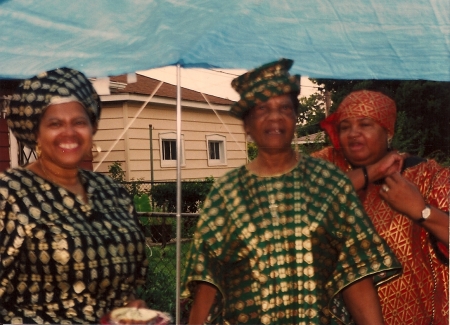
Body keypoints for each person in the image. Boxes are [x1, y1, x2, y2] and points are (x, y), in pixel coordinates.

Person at [181, 59, 401, 325]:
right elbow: (208, 281)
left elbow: (355, 272)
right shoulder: (227, 193)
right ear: (247, 125)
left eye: (284, 107)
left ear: (295, 118)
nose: (275, 117)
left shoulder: (329, 182)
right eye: (263, 108)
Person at [0, 68, 149, 324]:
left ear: (92, 128)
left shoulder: (112, 193)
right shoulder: (10, 194)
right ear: (36, 133)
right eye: (55, 123)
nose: (69, 133)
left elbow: (126, 283)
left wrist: (129, 307)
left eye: (79, 122)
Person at [311, 89, 449, 324]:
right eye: (345, 127)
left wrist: (421, 210)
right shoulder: (326, 164)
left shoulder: (426, 175)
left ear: (388, 132)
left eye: (365, 124)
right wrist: (371, 172)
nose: (353, 133)